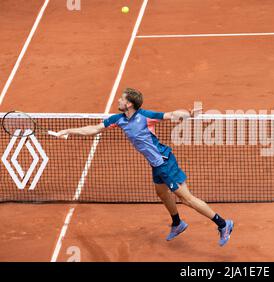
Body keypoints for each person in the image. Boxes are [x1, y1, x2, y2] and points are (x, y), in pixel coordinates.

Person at [56, 88, 234, 246]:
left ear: (129, 103)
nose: (118, 100)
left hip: (164, 162)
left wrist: (189, 113)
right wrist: (68, 131)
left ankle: (223, 224)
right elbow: (94, 129)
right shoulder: (118, 119)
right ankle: (177, 223)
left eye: (121, 98)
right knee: (162, 193)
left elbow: (170, 115)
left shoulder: (145, 116)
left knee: (186, 199)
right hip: (156, 165)